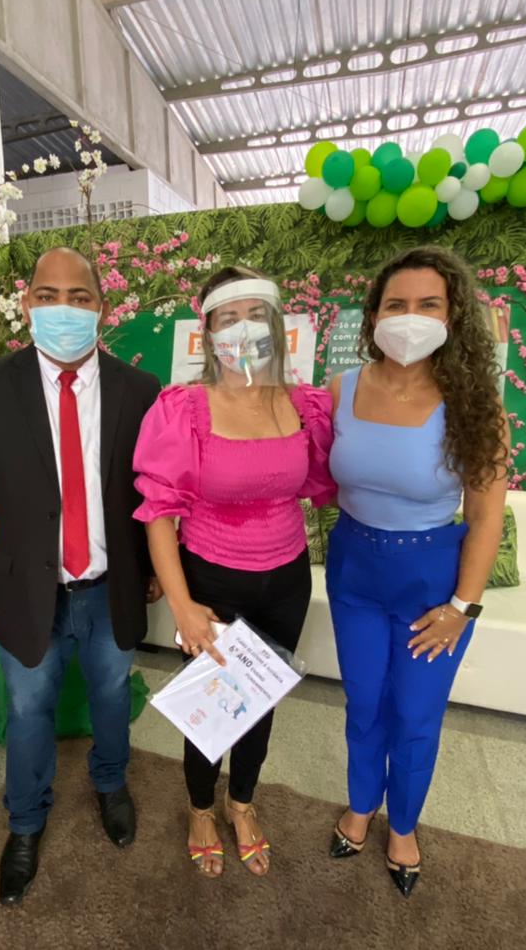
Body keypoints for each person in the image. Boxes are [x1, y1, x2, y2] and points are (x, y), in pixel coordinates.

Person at [0, 246, 162, 907]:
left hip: (110, 585)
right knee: (29, 707)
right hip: (23, 587)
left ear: (102, 307)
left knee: (112, 695)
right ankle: (26, 821)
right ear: (27, 303)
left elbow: (153, 492)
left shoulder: (139, 390)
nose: (63, 308)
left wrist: (155, 569)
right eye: (47, 295)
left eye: (79, 296)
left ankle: (110, 783)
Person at [132, 266, 335, 878]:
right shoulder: (184, 408)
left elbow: (326, 484)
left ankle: (241, 803)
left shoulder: (303, 405)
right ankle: (201, 809)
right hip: (212, 581)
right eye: (228, 318)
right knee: (214, 706)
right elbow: (158, 514)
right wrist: (183, 606)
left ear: (276, 323)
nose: (242, 328)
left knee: (260, 703)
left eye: (254, 314)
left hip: (287, 579)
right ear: (208, 331)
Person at [325, 245, 508, 897]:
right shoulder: (341, 389)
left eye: (428, 304)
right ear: (374, 315)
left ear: (453, 316)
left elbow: (485, 516)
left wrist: (463, 606)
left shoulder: (476, 404)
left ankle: (402, 824)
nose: (410, 317)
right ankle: (360, 804)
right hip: (353, 569)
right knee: (364, 702)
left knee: (415, 713)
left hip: (432, 581)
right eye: (395, 304)